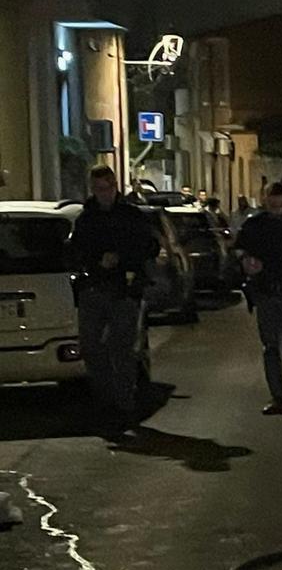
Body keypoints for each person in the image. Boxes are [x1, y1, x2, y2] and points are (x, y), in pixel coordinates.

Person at [69, 165, 160, 425]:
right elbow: (76, 252)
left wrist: (122, 259)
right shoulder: (86, 219)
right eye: (98, 189)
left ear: (115, 186)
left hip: (124, 289)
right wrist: (96, 263)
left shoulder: (131, 216)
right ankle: (106, 398)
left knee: (121, 348)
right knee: (90, 347)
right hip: (94, 288)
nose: (103, 194)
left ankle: (123, 402)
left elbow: (149, 246)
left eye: (107, 188)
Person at [234, 183, 282, 415]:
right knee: (270, 347)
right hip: (265, 292)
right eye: (273, 201)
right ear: (265, 199)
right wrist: (246, 263)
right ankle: (277, 397)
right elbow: (240, 250)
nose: (278, 206)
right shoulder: (254, 225)